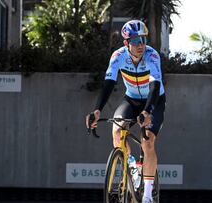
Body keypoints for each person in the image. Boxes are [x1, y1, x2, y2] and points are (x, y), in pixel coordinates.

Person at [85, 19, 166, 203]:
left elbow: (154, 86)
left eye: (143, 40)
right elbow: (108, 84)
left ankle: (146, 196)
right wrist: (97, 110)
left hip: (154, 100)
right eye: (136, 41)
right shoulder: (118, 56)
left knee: (148, 142)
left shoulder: (152, 56)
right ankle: (132, 166)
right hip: (131, 99)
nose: (141, 45)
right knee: (116, 130)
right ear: (126, 43)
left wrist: (147, 112)